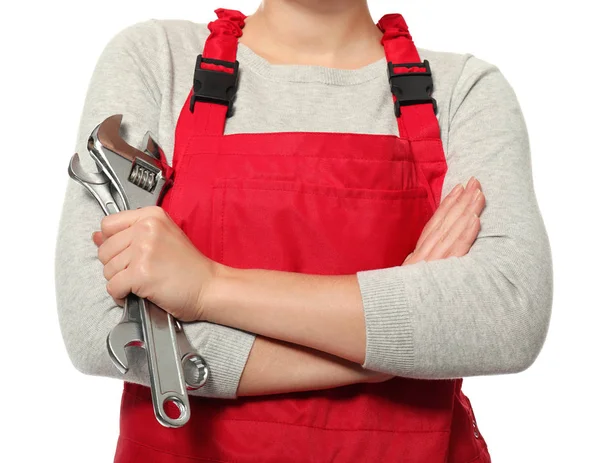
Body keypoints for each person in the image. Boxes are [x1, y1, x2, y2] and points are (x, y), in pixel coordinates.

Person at [54, 1, 553, 462]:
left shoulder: (463, 89)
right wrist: (384, 353)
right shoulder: (158, 60)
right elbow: (97, 327)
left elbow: (507, 313)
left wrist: (208, 287)